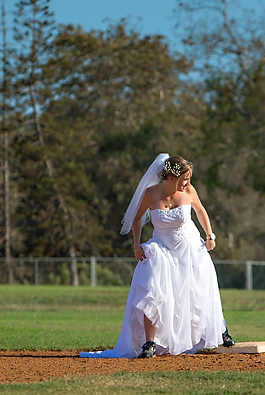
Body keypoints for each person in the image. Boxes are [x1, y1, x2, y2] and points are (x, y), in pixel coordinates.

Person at [81, 153, 234, 359]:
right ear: (170, 177)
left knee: (200, 289)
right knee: (152, 287)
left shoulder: (189, 191)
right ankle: (149, 343)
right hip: (162, 247)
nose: (187, 182)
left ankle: (219, 330)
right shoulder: (151, 193)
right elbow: (136, 218)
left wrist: (210, 235)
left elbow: (200, 210)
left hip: (189, 249)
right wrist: (137, 245)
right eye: (184, 178)